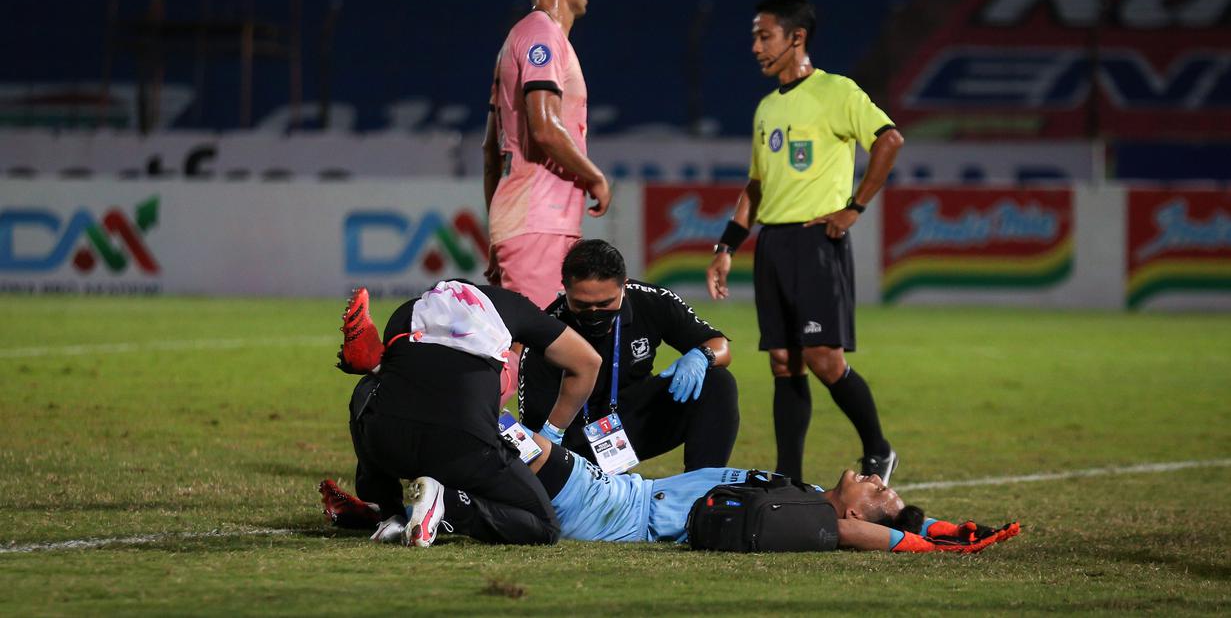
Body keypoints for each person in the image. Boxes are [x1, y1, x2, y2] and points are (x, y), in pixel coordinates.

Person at [706, 0, 906, 484]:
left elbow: (889, 139)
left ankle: (878, 448)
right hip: (773, 244)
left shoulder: (836, 91)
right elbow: (755, 187)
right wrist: (726, 247)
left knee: (822, 358)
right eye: (755, 36)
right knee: (782, 361)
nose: (755, 47)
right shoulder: (766, 109)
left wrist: (854, 206)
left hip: (817, 242)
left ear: (797, 37)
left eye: (764, 36)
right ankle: (788, 476)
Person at [320, 431, 1020, 554]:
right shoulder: (806, 492)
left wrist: (917, 544)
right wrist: (946, 528)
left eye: (879, 492)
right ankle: (386, 513)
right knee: (499, 452)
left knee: (508, 435)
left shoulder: (811, 517)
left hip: (618, 504)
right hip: (622, 494)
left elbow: (851, 532)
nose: (873, 479)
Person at [334, 282, 600, 546]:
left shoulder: (406, 312)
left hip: (389, 443)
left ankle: (388, 512)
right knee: (544, 527)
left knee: (368, 391)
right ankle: (447, 504)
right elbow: (588, 361)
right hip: (464, 446)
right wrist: (552, 433)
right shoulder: (513, 307)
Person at [519, 239, 739, 471]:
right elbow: (537, 432)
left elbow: (719, 345)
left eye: (605, 303)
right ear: (565, 287)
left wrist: (701, 356)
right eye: (582, 305)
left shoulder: (651, 300)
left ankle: (700, 488)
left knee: (718, 382)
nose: (594, 313)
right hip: (577, 443)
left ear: (624, 284)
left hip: (636, 423)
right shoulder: (545, 333)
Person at [482, 0, 612, 310]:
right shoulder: (543, 35)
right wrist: (594, 177)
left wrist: (497, 232)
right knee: (534, 353)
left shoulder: (518, 39)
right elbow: (543, 126)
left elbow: (491, 152)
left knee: (555, 352)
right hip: (539, 220)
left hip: (529, 223)